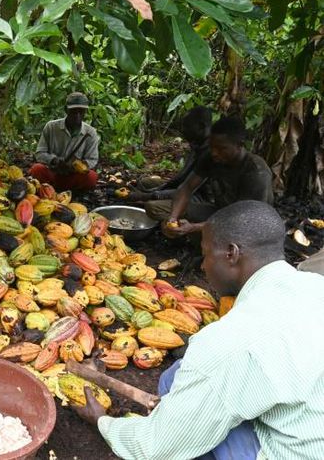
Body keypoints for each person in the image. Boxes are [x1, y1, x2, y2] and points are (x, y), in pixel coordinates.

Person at [74, 200, 324, 459]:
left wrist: (102, 421)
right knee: (176, 376)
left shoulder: (230, 341)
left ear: (231, 254)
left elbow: (157, 447)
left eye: (205, 254)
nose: (203, 267)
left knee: (190, 434)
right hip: (305, 419)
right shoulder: (315, 286)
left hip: (297, 452)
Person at [145, 116, 273, 237]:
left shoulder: (256, 172)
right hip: (219, 212)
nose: (214, 153)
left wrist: (195, 227)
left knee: (216, 235)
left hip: (248, 225)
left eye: (221, 148)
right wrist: (173, 217)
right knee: (159, 212)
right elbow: (187, 188)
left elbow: (243, 219)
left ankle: (201, 239)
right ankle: (195, 235)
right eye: (212, 147)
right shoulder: (211, 157)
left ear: (239, 145)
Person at [129, 106, 213, 202]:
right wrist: (152, 191)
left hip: (199, 197)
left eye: (187, 126)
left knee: (153, 207)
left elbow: (188, 189)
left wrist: (148, 196)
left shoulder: (213, 152)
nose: (183, 130)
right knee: (145, 183)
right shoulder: (197, 144)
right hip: (184, 187)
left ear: (201, 126)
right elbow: (181, 178)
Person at [29, 92, 100, 193]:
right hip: (53, 173)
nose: (77, 115)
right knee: (37, 169)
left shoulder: (90, 132)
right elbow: (40, 153)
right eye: (74, 111)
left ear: (85, 112)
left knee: (92, 177)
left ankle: (69, 191)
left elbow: (92, 159)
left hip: (73, 176)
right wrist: (54, 160)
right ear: (66, 110)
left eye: (81, 112)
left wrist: (78, 166)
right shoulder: (51, 127)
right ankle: (49, 189)